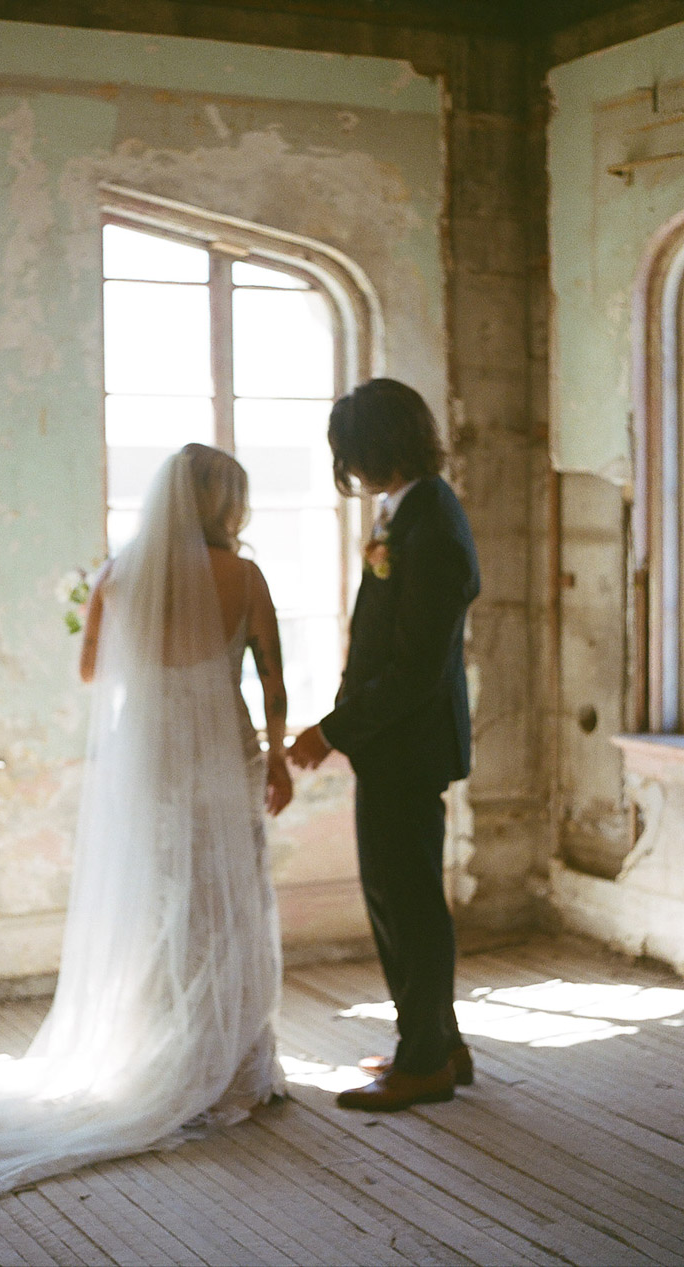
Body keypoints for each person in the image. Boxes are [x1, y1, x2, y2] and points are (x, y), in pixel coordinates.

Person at [0, 443, 291, 1199]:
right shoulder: (243, 577)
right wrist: (279, 755)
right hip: (222, 758)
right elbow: (273, 678)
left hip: (148, 759)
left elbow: (91, 672)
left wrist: (128, 629)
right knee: (231, 903)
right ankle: (232, 1069)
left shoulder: (122, 575)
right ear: (222, 504)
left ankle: (163, 1051)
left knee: (160, 905)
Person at [290, 379, 480, 1113]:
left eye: (352, 451)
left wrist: (334, 729)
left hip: (409, 744)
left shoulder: (430, 522)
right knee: (396, 895)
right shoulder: (407, 512)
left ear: (375, 445)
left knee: (408, 903)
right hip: (395, 745)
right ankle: (439, 1042)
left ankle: (424, 1059)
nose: (350, 467)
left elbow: (414, 667)